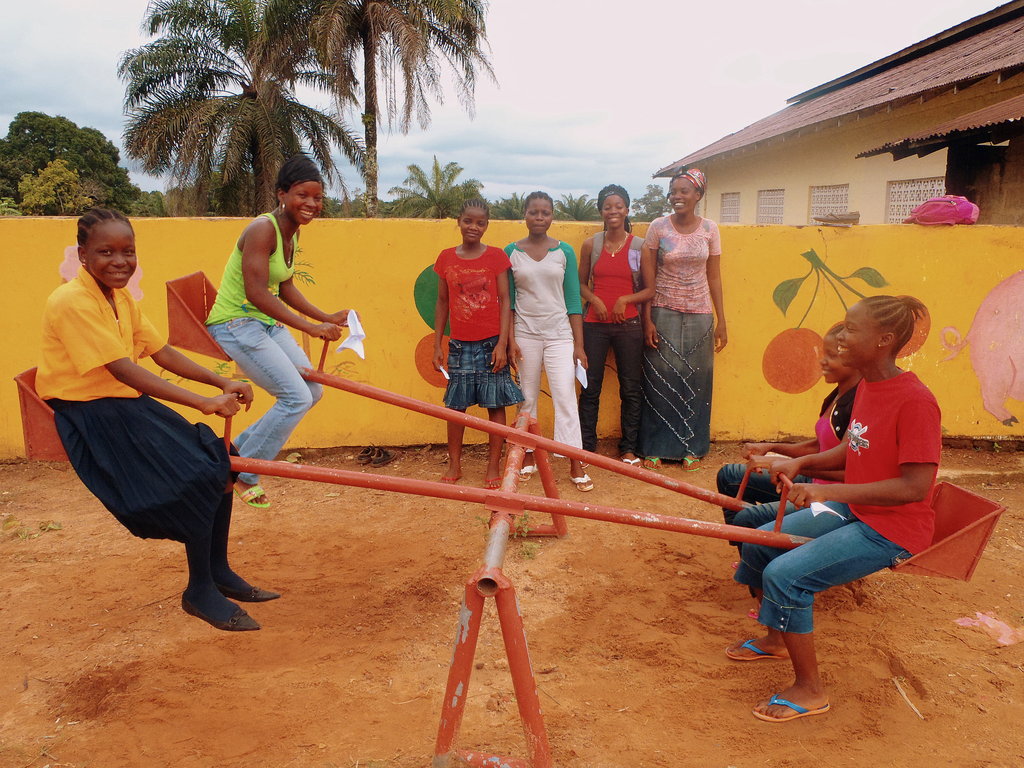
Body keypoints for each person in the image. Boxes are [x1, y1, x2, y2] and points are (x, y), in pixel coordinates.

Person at [38, 208, 274, 632]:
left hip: (123, 403)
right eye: (106, 251)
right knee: (200, 473)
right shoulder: (72, 301)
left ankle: (217, 570)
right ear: (83, 255)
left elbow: (160, 352)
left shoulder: (121, 298)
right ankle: (199, 590)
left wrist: (220, 380)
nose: (120, 261)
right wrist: (202, 402)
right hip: (91, 415)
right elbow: (122, 370)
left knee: (224, 456)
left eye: (128, 251)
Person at [725, 296, 940, 723]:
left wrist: (830, 494)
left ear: (884, 340)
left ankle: (810, 690)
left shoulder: (915, 400)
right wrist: (803, 462)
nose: (840, 337)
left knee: (785, 575)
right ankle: (774, 639)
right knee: (763, 543)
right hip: (859, 511)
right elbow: (852, 445)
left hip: (891, 529)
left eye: (850, 329)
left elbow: (915, 488)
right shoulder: (870, 388)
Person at [206, 154, 368, 510]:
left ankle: (233, 455)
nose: (311, 204)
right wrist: (311, 327)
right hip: (235, 324)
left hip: (261, 324)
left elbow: (286, 289)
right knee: (295, 397)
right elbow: (257, 293)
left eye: (317, 197)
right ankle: (246, 472)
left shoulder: (289, 234)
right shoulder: (263, 229)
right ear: (282, 194)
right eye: (302, 195)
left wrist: (327, 316)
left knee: (312, 391)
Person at [717, 322, 861, 533]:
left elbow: (854, 473)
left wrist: (788, 463)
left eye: (832, 356)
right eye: (824, 354)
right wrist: (771, 447)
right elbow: (819, 445)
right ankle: (753, 550)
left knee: (747, 519)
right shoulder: (837, 395)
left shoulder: (859, 404)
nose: (822, 362)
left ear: (856, 361)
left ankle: (757, 555)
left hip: (829, 493)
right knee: (729, 476)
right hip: (814, 478)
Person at [432, 199, 523, 488]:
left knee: (495, 405)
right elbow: (443, 301)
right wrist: (438, 344)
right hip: (459, 344)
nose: (474, 227)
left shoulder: (496, 257)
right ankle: (455, 464)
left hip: (490, 344)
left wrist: (503, 344)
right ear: (458, 221)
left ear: (487, 225)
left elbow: (506, 300)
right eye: (468, 221)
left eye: (480, 222)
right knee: (455, 407)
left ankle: (493, 465)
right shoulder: (446, 257)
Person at [640, 168, 727, 470]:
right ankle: (654, 446)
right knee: (659, 378)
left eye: (684, 191)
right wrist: (647, 318)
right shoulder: (658, 227)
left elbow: (714, 276)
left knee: (697, 379)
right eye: (674, 191)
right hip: (663, 308)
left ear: (698, 195)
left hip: (700, 313)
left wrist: (722, 320)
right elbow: (646, 277)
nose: (677, 196)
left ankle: (692, 446)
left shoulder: (710, 229)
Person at [506, 191, 592, 492]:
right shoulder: (511, 252)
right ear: (525, 215)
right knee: (526, 397)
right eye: (533, 212)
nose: (539, 217)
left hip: (560, 335)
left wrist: (579, 346)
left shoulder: (564, 252)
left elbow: (572, 300)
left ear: (552, 215)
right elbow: (510, 302)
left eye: (545, 212)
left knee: (565, 396)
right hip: (525, 334)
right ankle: (527, 454)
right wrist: (509, 340)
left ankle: (574, 461)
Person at [577, 184, 655, 465]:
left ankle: (629, 449)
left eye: (619, 206)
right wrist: (595, 300)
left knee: (631, 387)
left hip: (629, 326)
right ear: (601, 211)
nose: (613, 211)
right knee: (590, 387)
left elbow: (650, 290)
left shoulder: (639, 246)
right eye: (608, 206)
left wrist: (625, 299)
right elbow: (579, 284)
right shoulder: (591, 245)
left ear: (627, 210)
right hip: (593, 326)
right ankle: (586, 448)